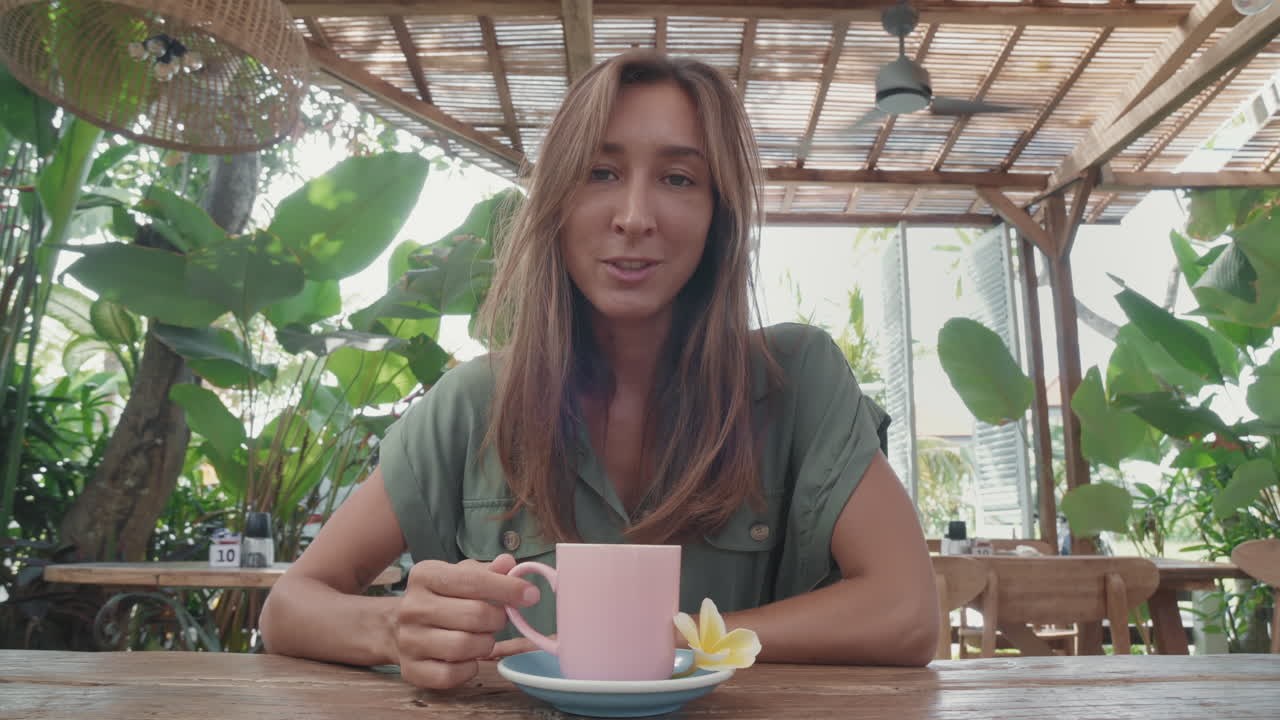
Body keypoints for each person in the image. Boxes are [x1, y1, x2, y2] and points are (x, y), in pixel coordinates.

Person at [259, 50, 939, 690]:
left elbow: (906, 613)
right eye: (600, 172)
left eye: (678, 178)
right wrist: (393, 628)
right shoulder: (474, 402)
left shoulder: (797, 379)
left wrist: (667, 644)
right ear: (555, 201)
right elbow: (289, 607)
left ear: (717, 217)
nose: (635, 217)